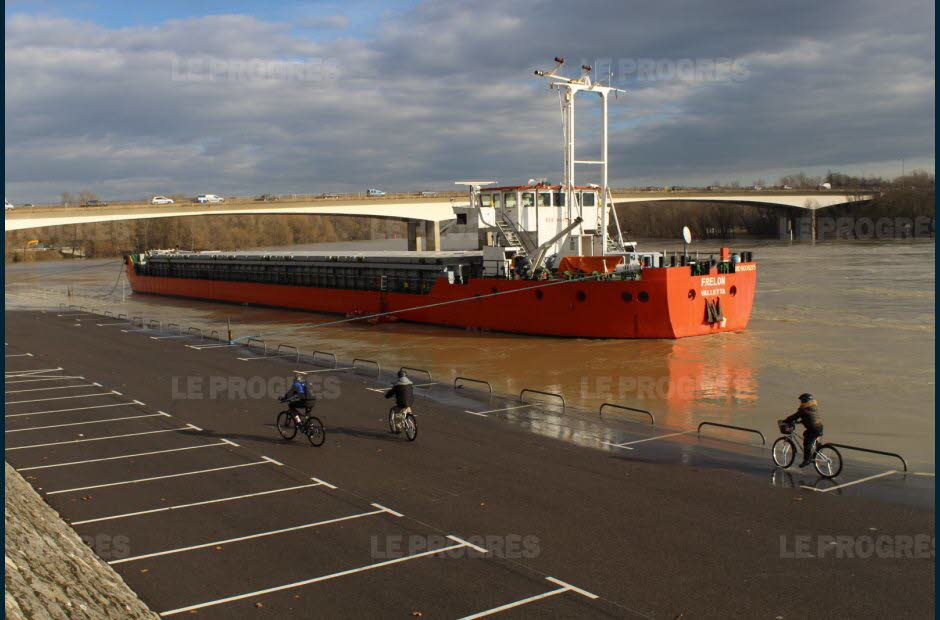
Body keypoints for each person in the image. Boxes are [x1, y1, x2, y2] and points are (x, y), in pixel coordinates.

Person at [783, 393, 823, 467]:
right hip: (819, 427)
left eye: (801, 401)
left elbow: (794, 416)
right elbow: (810, 418)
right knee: (805, 434)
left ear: (805, 401)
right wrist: (800, 422)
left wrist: (785, 421)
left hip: (813, 429)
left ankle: (807, 460)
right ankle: (817, 446)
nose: (801, 402)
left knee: (806, 444)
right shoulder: (813, 407)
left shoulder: (804, 409)